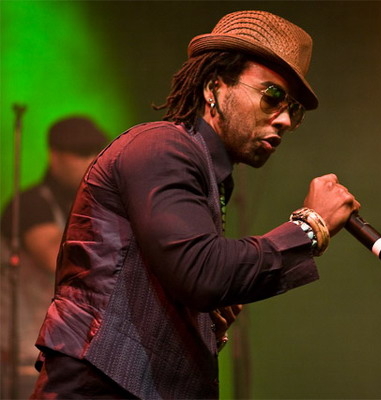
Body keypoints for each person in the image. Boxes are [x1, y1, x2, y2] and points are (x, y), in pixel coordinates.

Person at [30, 10, 360, 399]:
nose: (285, 119)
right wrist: (310, 226)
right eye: (272, 95)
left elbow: (187, 276)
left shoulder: (211, 177)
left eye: (294, 108)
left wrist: (200, 321)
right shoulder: (161, 147)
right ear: (213, 87)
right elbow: (201, 272)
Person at [0, 116, 107, 398]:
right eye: (81, 153)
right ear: (54, 155)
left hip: (71, 361)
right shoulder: (30, 204)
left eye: (96, 152)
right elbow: (56, 259)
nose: (91, 160)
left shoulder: (91, 205)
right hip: (25, 363)